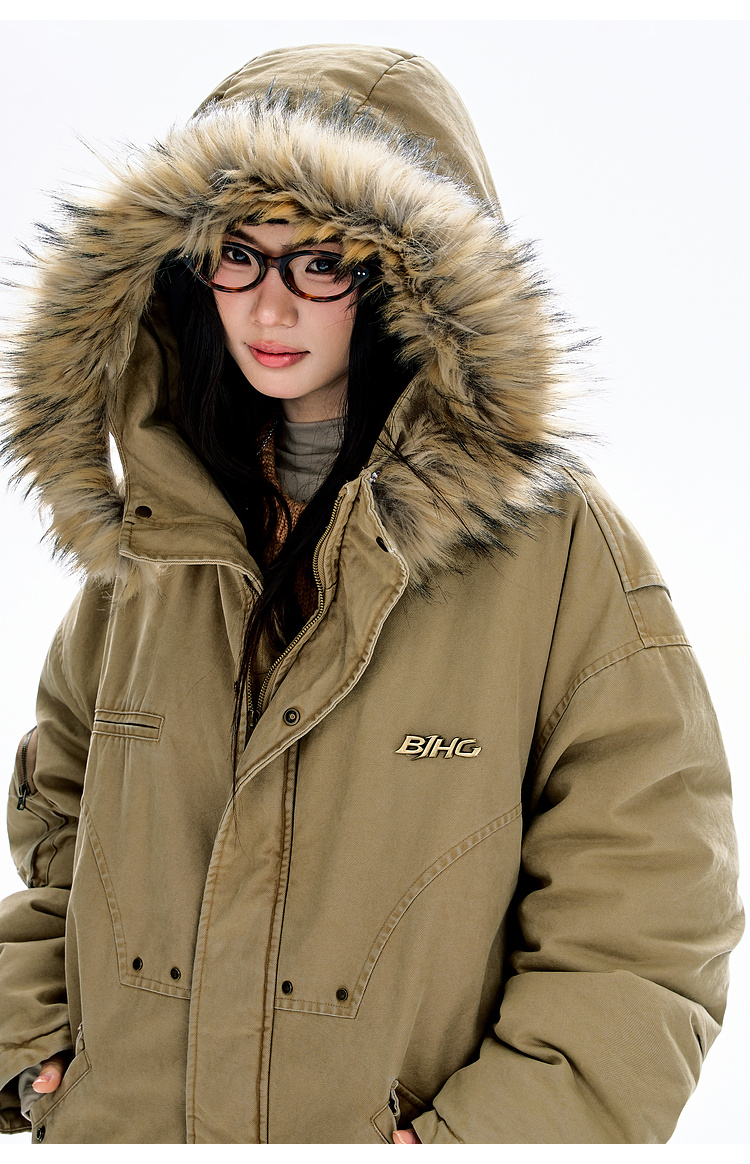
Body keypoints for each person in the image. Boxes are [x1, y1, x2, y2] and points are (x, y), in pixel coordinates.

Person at [0, 44, 742, 1145]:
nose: (270, 305)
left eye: (321, 263)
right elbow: (65, 822)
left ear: (410, 275)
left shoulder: (554, 554)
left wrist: (485, 1142)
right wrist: (36, 1041)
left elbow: (648, 904)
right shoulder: (161, 532)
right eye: (238, 255)